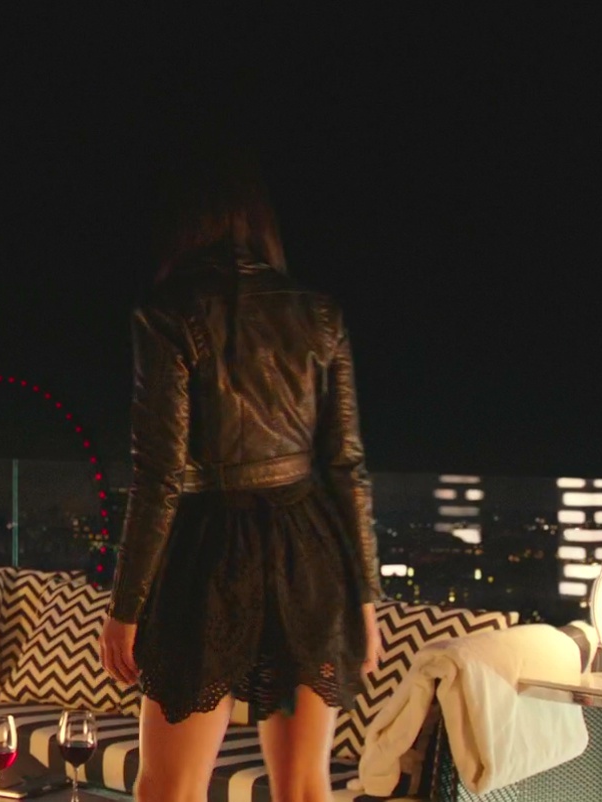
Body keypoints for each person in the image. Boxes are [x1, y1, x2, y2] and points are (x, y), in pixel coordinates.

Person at [98, 148, 385, 802]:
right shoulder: (320, 314)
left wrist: (125, 609)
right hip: (310, 554)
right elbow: (347, 467)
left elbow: (159, 475)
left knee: (168, 790)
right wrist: (364, 600)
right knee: (304, 788)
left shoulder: (166, 312)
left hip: (209, 556)